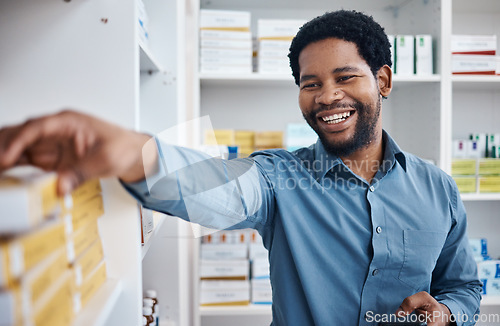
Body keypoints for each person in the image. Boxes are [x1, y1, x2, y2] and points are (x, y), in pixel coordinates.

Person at [0, 10, 481, 326]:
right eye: (310, 83)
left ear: (383, 81)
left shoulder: (437, 187)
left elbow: (462, 286)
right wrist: (128, 151)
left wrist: (446, 313)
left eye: (345, 77)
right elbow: (212, 187)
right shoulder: (277, 178)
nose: (327, 96)